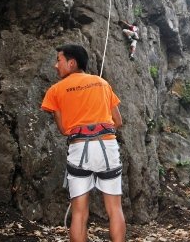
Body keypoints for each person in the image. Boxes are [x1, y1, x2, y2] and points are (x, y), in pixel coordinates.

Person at [41, 44, 125, 242]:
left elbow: (63, 130)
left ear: (72, 63)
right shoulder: (102, 83)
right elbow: (118, 122)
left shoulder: (55, 90)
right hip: (107, 147)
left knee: (79, 212)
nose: (55, 65)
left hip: (79, 148)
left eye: (59, 60)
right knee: (114, 209)